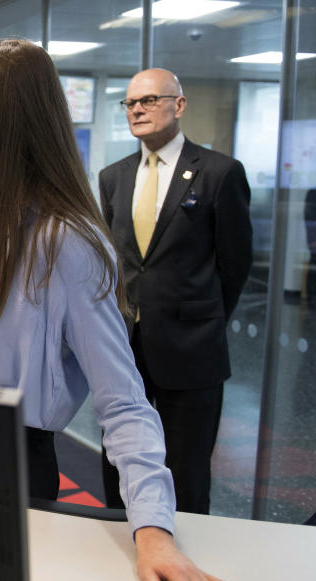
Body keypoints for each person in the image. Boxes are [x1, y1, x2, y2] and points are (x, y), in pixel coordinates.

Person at [0, 40, 252, 581]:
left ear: (5, 116)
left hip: (12, 474)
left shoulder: (66, 244)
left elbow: (124, 403)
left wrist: (153, 531)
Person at [99, 69, 253, 515]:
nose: (138, 110)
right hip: (125, 346)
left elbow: (235, 263)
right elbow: (117, 258)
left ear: (179, 106)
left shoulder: (220, 173)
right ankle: (122, 534)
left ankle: (187, 562)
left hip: (192, 347)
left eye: (149, 100)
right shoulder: (114, 177)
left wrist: (202, 320)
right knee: (120, 457)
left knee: (186, 467)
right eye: (130, 104)